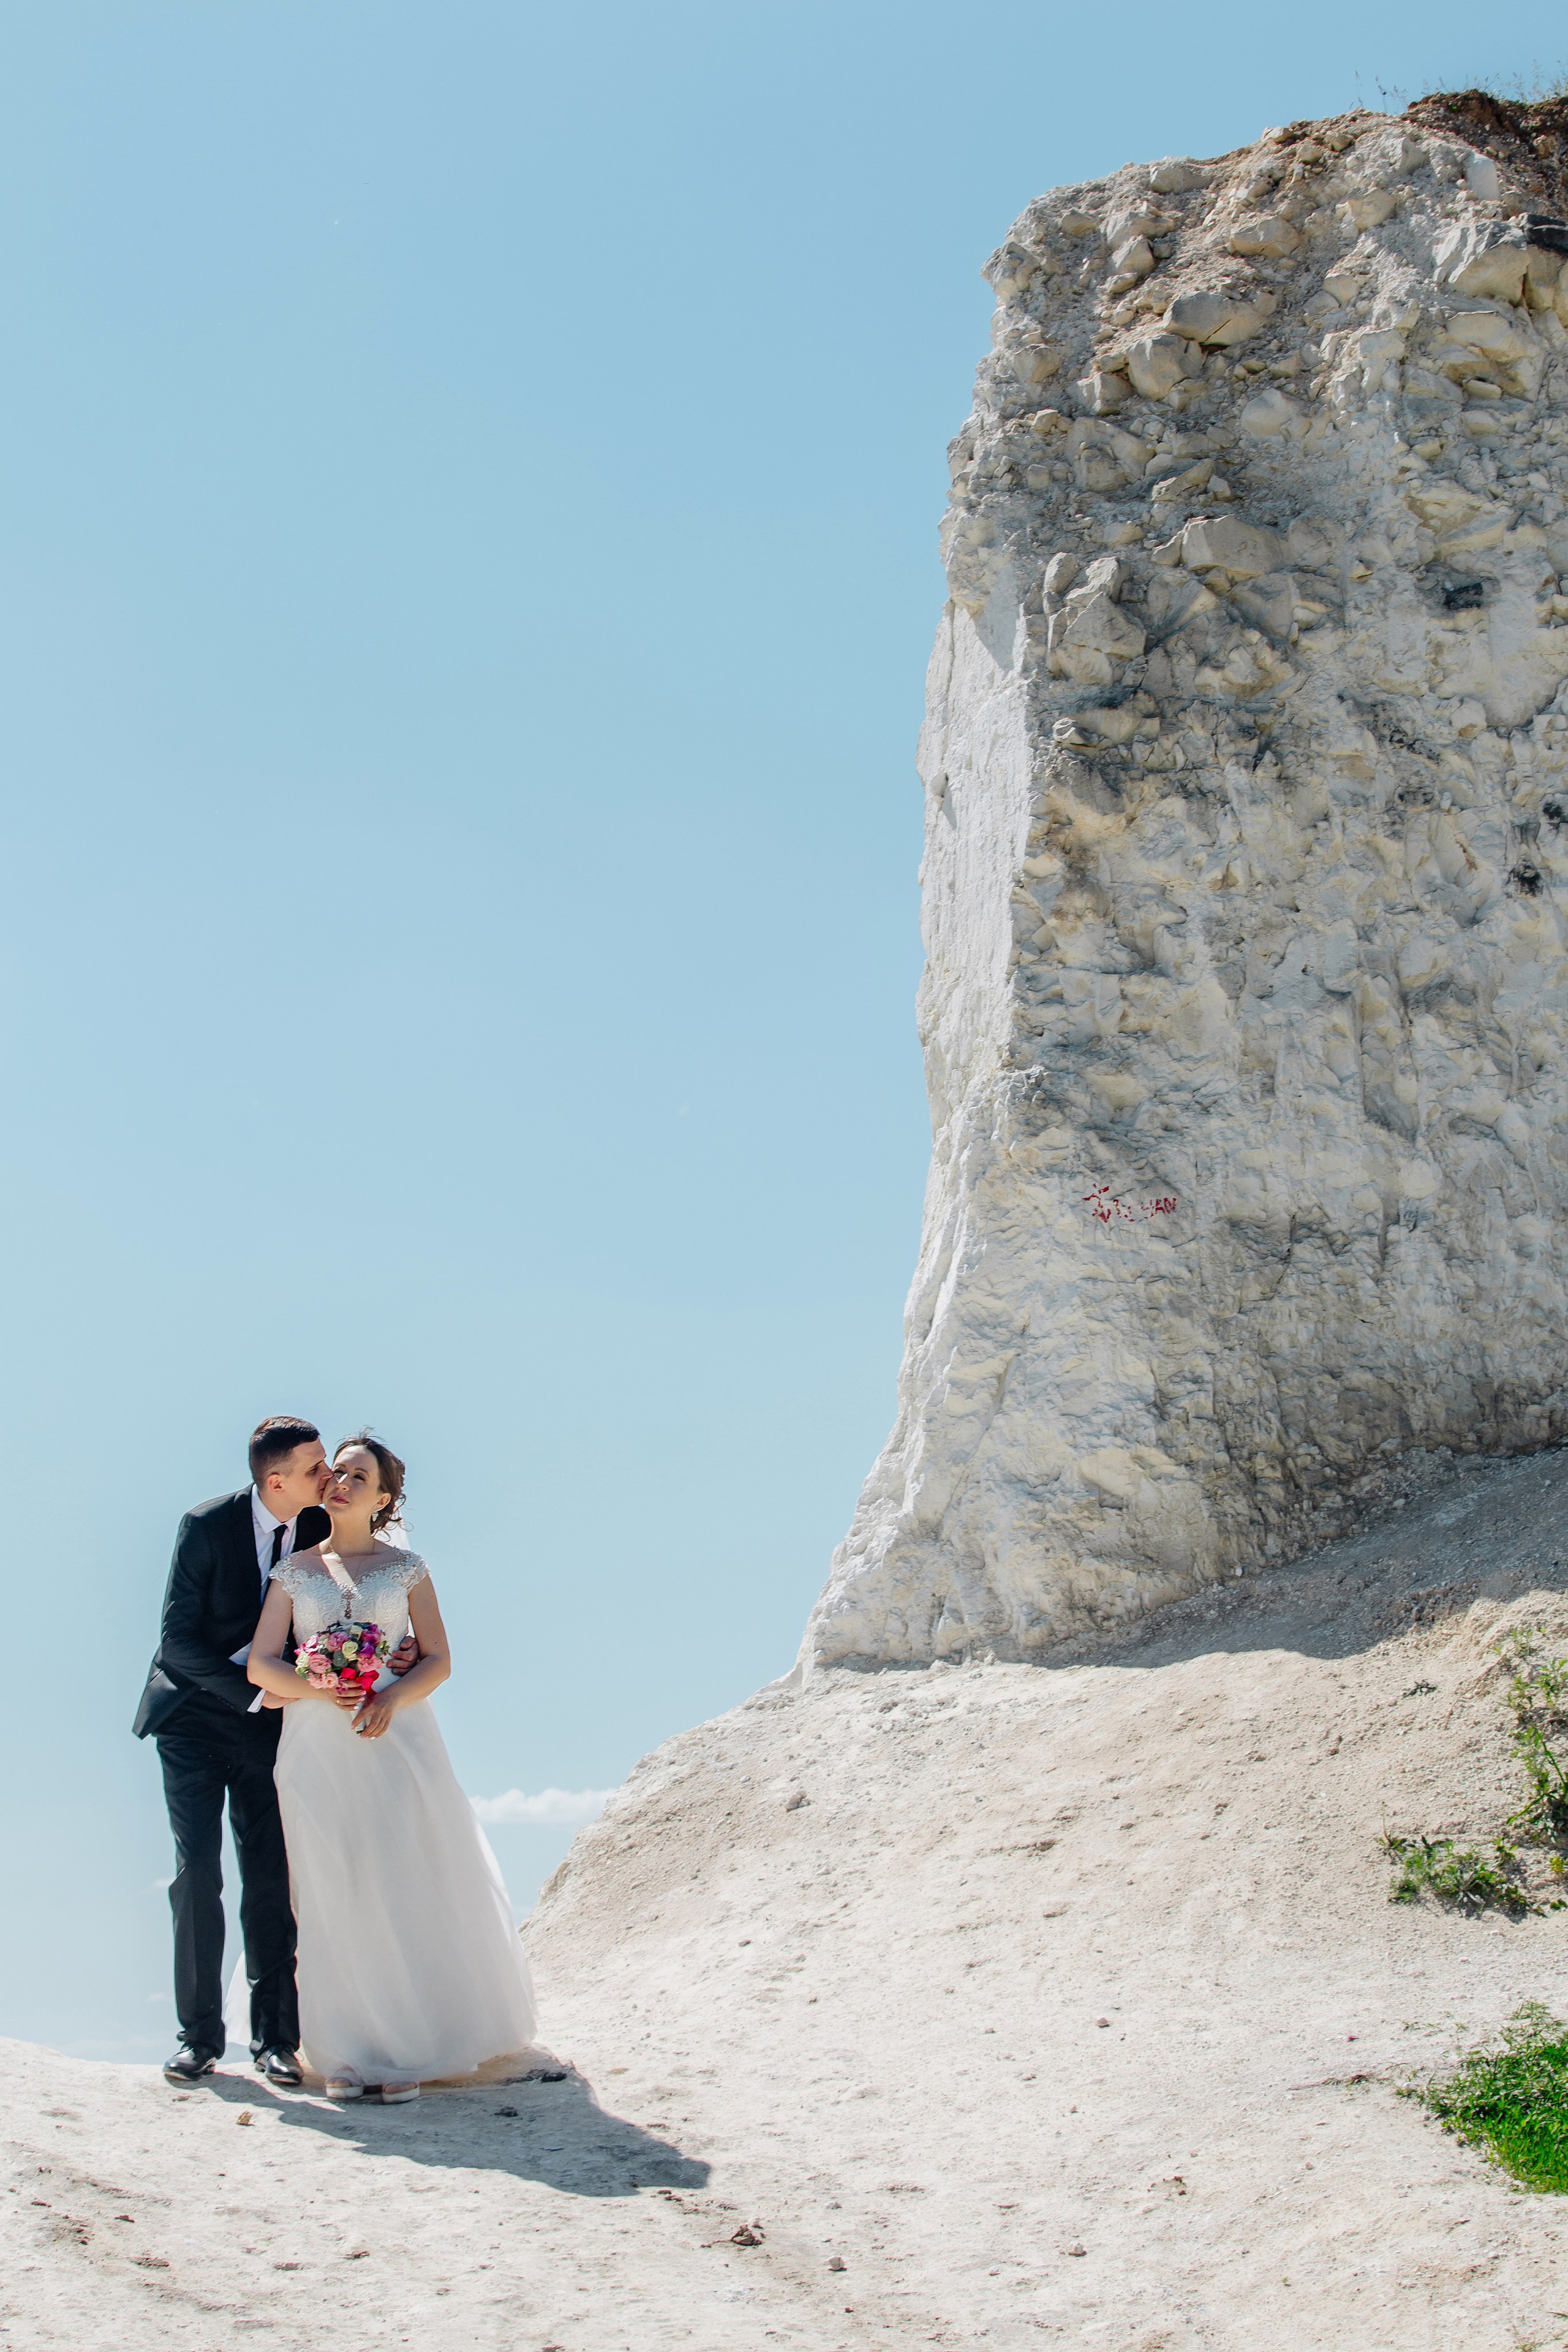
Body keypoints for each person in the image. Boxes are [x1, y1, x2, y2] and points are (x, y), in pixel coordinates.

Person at [246, 1430, 537, 2100]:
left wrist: (390, 1698)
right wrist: (321, 1688)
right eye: (338, 1472)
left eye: (359, 1476)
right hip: (316, 1743)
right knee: (331, 1888)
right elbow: (262, 1664)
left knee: (402, 1877)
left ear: (382, 1498)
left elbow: (438, 1659)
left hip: (396, 1738)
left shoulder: (407, 1569)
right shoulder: (294, 1572)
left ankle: (411, 2047)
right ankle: (346, 2056)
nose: (342, 1482)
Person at [133, 1415, 405, 2085]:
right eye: (317, 1467)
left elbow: (354, 1596)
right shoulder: (206, 1525)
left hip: (273, 1725)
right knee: (198, 1871)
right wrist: (257, 1694)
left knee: (271, 1875)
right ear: (277, 1480)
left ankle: (275, 2042)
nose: (330, 1476)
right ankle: (198, 2039)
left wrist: (391, 1652)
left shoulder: (319, 1524)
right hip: (194, 1718)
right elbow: (176, 1643)